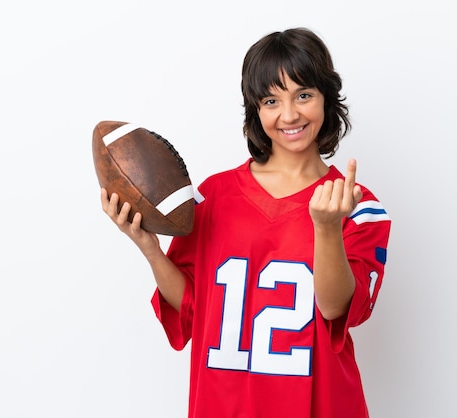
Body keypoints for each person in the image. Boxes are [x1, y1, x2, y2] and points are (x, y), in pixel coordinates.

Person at [101, 27, 391, 418]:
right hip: (223, 405)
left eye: (303, 95)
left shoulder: (356, 205)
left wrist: (325, 228)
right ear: (255, 108)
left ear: (327, 98)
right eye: (272, 100)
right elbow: (190, 307)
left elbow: (338, 309)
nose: (289, 115)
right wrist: (150, 249)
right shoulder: (212, 197)